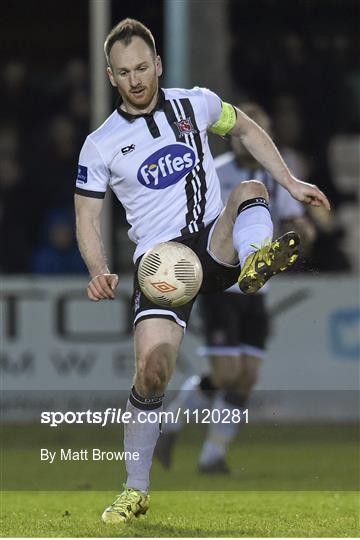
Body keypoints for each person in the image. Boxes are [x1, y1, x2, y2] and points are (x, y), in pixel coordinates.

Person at [74, 18, 330, 524]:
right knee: (152, 373)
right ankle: (135, 490)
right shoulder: (100, 144)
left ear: (158, 65)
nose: (136, 79)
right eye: (124, 72)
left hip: (215, 243)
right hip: (165, 265)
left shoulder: (198, 103)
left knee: (251, 192)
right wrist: (100, 268)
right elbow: (86, 217)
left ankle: (255, 259)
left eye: (143, 67)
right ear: (111, 76)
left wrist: (291, 180)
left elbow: (249, 130)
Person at [155, 103, 316, 474]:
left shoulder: (275, 177)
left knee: (246, 378)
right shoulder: (216, 172)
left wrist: (302, 231)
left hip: (257, 291)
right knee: (227, 374)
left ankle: (212, 456)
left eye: (264, 126)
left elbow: (290, 221)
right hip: (221, 285)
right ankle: (171, 423)